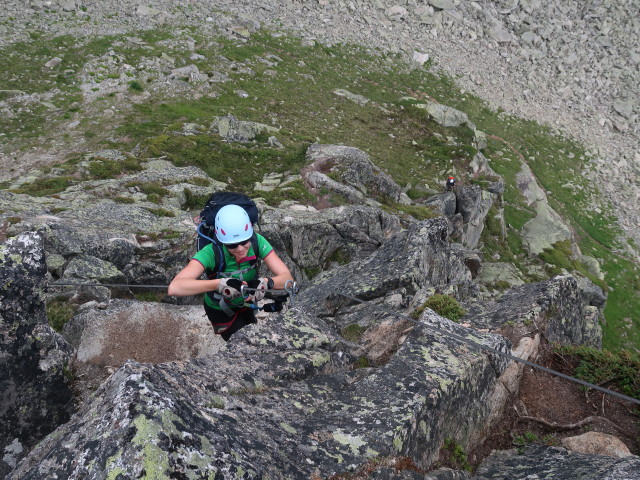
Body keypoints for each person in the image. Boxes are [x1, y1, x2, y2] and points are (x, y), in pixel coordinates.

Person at [168, 204, 293, 341]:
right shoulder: (211, 252)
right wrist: (218, 284)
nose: (240, 249)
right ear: (222, 240)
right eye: (232, 245)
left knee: (251, 332)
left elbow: (287, 279)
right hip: (220, 309)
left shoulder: (258, 242)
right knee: (244, 343)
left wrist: (266, 283)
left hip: (246, 304)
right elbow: (175, 287)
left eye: (244, 242)